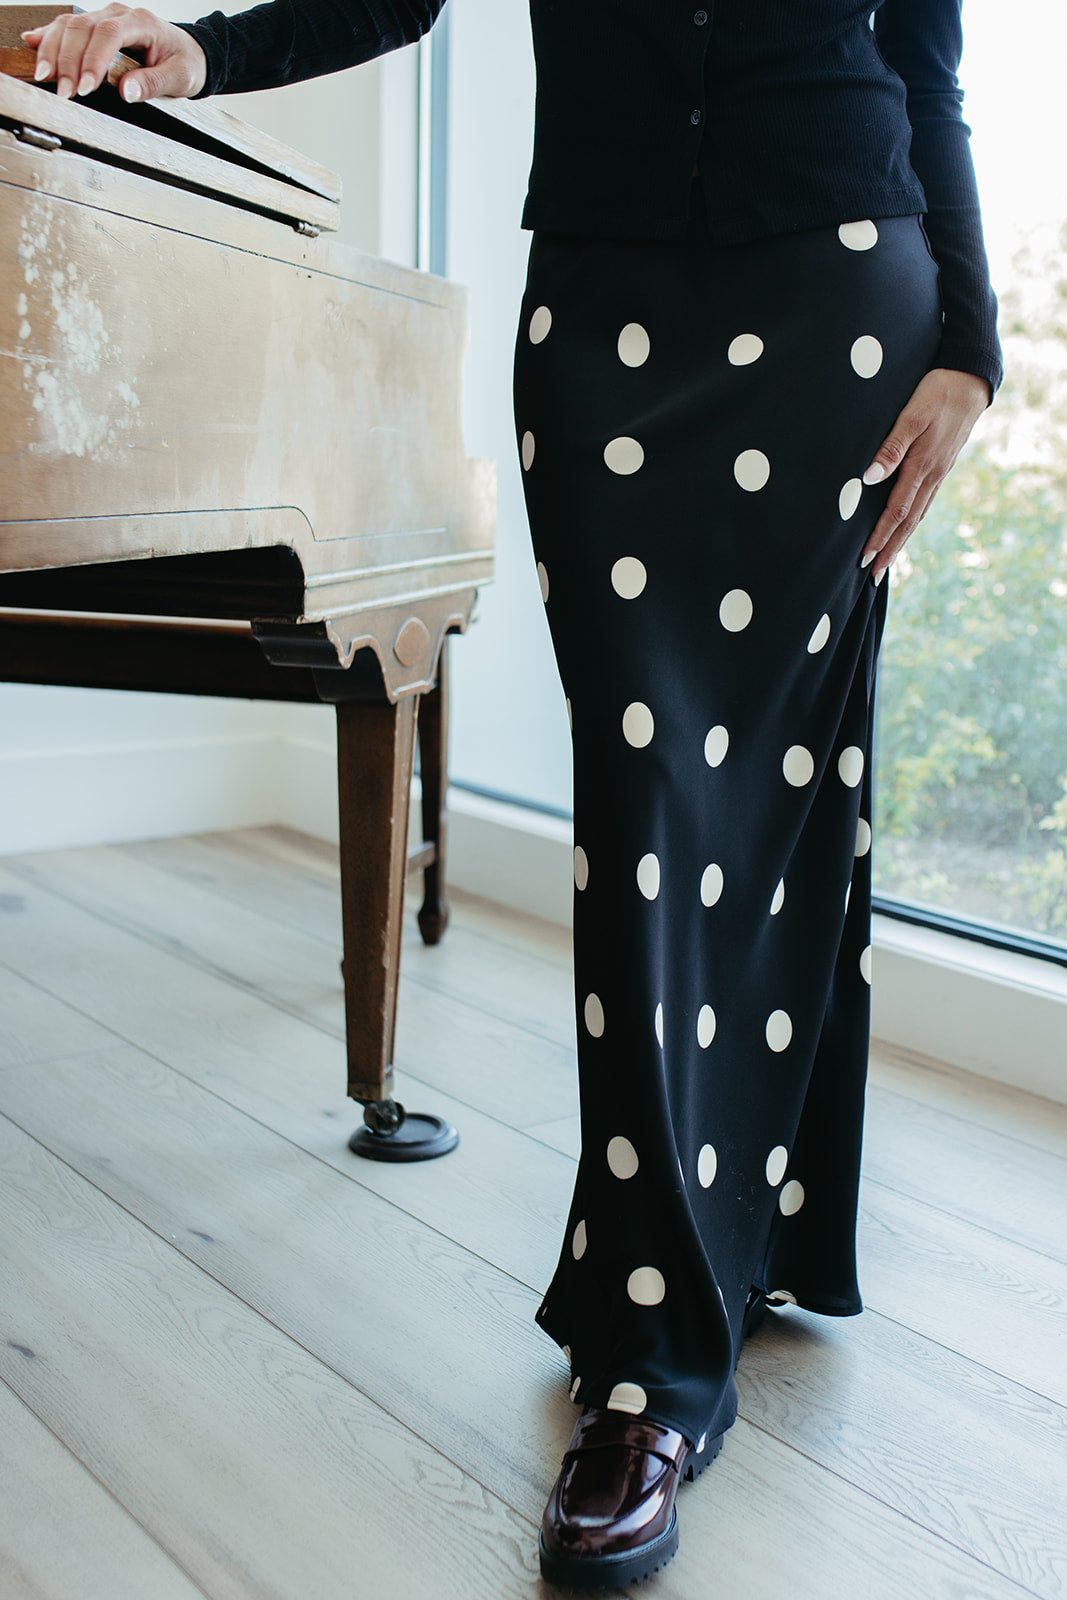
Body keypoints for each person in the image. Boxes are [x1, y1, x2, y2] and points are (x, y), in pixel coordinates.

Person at [23, 2, 1002, 1589]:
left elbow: (924, 59)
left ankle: (679, 1326)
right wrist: (206, 50)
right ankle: (665, 1325)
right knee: (642, 804)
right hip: (608, 309)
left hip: (839, 304)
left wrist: (975, 346)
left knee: (784, 792)